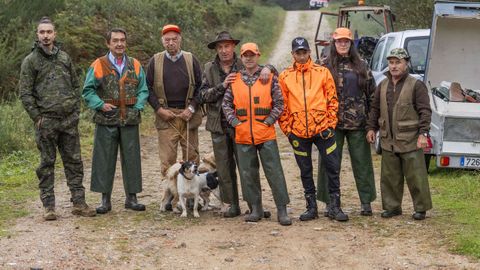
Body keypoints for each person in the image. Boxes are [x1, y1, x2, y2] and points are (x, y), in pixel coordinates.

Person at [19, 17, 96, 220]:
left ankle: (79, 203)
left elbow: (75, 85)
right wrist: (37, 117)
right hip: (46, 122)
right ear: (37, 35)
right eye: (42, 32)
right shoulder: (31, 61)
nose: (46, 35)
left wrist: (75, 111)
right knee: (47, 163)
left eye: (49, 32)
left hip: (69, 120)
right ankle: (49, 207)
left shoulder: (64, 57)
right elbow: (25, 93)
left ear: (55, 34)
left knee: (74, 162)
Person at [198, 31, 274, 218]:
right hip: (218, 125)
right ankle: (231, 205)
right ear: (216, 49)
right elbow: (202, 95)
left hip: (243, 125)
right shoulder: (209, 68)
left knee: (247, 167)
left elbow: (269, 70)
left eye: (227, 46)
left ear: (234, 48)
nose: (224, 50)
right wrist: (222, 86)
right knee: (224, 169)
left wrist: (269, 68)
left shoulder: (243, 62)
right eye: (220, 47)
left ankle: (254, 205)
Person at [278, 37, 348, 222]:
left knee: (332, 167)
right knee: (305, 171)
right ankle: (311, 207)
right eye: (297, 52)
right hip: (298, 132)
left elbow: (333, 100)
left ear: (309, 52)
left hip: (323, 130)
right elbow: (281, 105)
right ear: (292, 54)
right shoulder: (284, 76)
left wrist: (330, 125)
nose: (301, 56)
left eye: (304, 52)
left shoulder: (322, 72)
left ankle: (334, 206)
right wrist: (288, 129)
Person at [222, 42, 291, 226]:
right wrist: (235, 122)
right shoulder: (234, 79)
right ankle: (255, 208)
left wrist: (269, 121)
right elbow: (226, 104)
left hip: (265, 134)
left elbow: (279, 103)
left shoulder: (268, 76)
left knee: (274, 172)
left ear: (258, 55)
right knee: (247, 173)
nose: (249, 58)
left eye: (252, 54)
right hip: (243, 135)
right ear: (241, 58)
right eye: (245, 55)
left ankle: (282, 210)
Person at [82, 28, 148, 214]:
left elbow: (143, 89)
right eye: (115, 40)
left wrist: (138, 106)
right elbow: (87, 91)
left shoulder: (134, 64)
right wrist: (100, 104)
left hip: (130, 119)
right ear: (108, 43)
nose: (119, 44)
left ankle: (132, 198)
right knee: (104, 159)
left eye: (122, 40)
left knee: (132, 158)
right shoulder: (99, 64)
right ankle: (105, 199)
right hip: (106, 118)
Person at [366, 48, 433, 220]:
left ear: (406, 64)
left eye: (398, 62)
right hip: (389, 140)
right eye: (391, 62)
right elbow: (374, 109)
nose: (394, 66)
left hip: (410, 139)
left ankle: (421, 208)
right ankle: (392, 207)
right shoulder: (382, 85)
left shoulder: (416, 85)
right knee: (389, 177)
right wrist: (371, 128)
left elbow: (425, 111)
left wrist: (423, 134)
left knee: (416, 177)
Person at [317, 28, 376, 217]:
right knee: (329, 164)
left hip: (358, 125)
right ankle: (329, 202)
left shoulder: (362, 66)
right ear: (333, 43)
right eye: (339, 41)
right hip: (331, 125)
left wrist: (371, 125)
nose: (343, 44)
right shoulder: (323, 66)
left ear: (351, 44)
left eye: (346, 41)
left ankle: (366, 202)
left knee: (363, 163)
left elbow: (372, 96)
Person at [147, 24, 202, 179]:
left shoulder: (191, 59)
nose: (170, 42)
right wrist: (159, 109)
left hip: (188, 116)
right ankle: (170, 198)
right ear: (162, 41)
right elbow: (147, 89)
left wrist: (191, 108)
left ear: (180, 40)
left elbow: (201, 87)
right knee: (167, 161)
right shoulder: (155, 61)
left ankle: (191, 198)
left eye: (174, 39)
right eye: (167, 40)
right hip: (166, 116)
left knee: (192, 157)